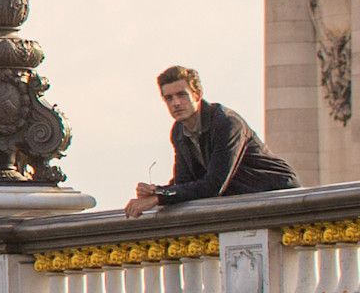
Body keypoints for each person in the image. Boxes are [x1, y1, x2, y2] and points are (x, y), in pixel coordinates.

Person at [127, 66, 298, 217]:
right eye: (169, 98)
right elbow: (183, 182)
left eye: (181, 95)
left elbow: (214, 185)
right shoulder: (179, 131)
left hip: (278, 195)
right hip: (246, 202)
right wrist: (155, 191)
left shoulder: (227, 123)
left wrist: (159, 197)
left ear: (197, 95)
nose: (176, 103)